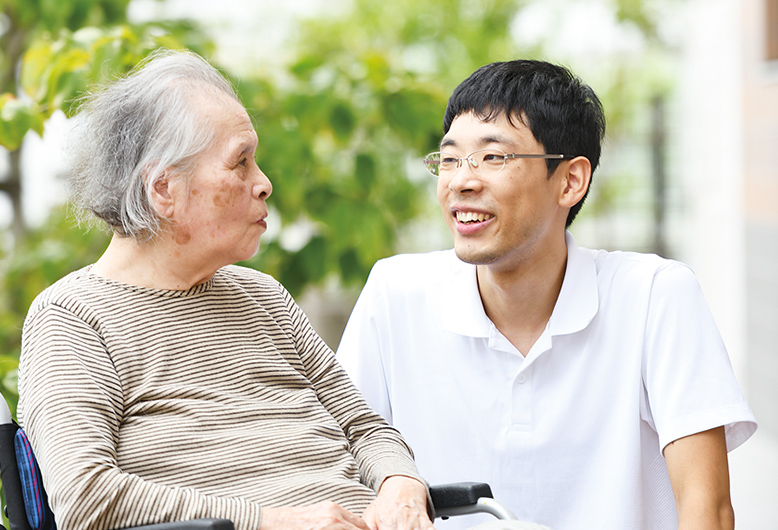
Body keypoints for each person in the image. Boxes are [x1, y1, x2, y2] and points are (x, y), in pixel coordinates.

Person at [17, 49, 435, 530]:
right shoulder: (72, 319)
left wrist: (400, 485)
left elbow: (365, 428)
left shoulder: (264, 297)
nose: (265, 184)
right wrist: (273, 522)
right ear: (164, 189)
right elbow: (86, 497)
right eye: (240, 163)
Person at [336, 60, 757, 530]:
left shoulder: (654, 296)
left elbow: (708, 509)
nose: (460, 181)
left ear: (571, 181)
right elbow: (342, 467)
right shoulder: (396, 293)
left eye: (493, 158)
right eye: (450, 158)